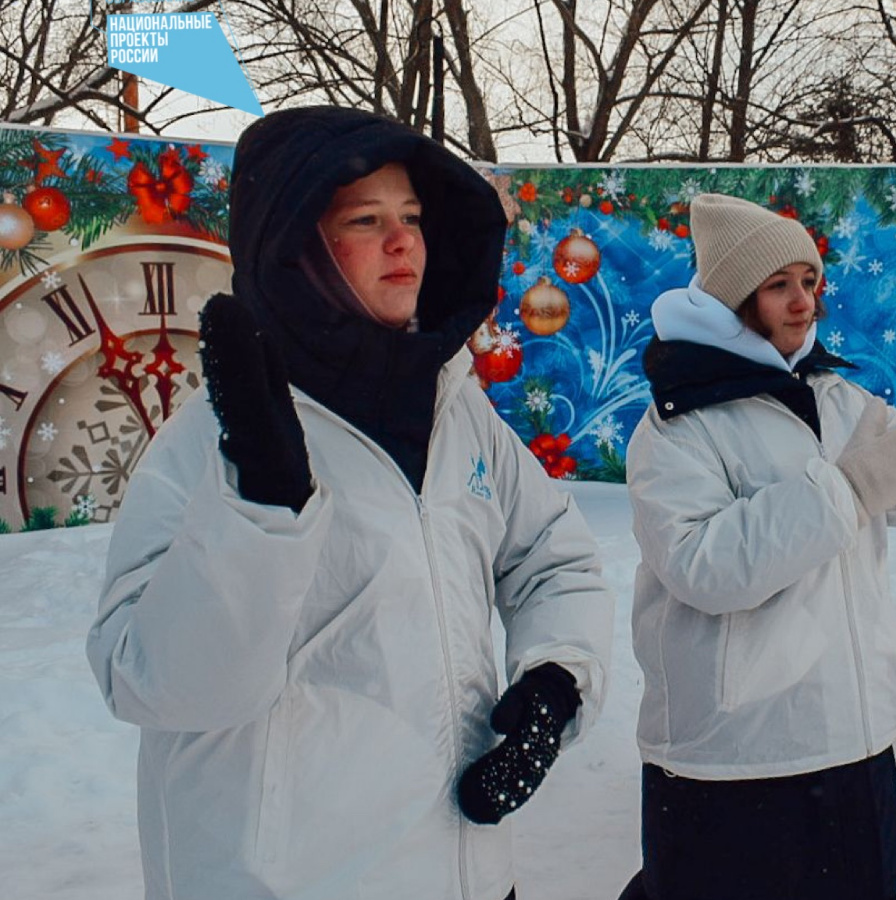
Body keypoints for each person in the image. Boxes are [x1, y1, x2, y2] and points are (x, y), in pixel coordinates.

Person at [85, 107, 614, 900]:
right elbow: (150, 683)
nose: (403, 241)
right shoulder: (215, 440)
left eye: (411, 217)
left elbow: (551, 559)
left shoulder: (454, 408)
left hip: (469, 870)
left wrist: (555, 682)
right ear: (297, 251)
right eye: (366, 221)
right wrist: (260, 509)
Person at [619, 193, 896, 900]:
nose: (803, 301)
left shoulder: (838, 398)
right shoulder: (678, 422)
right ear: (733, 299)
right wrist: (848, 489)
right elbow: (703, 566)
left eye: (809, 281)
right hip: (736, 754)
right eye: (779, 285)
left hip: (852, 739)